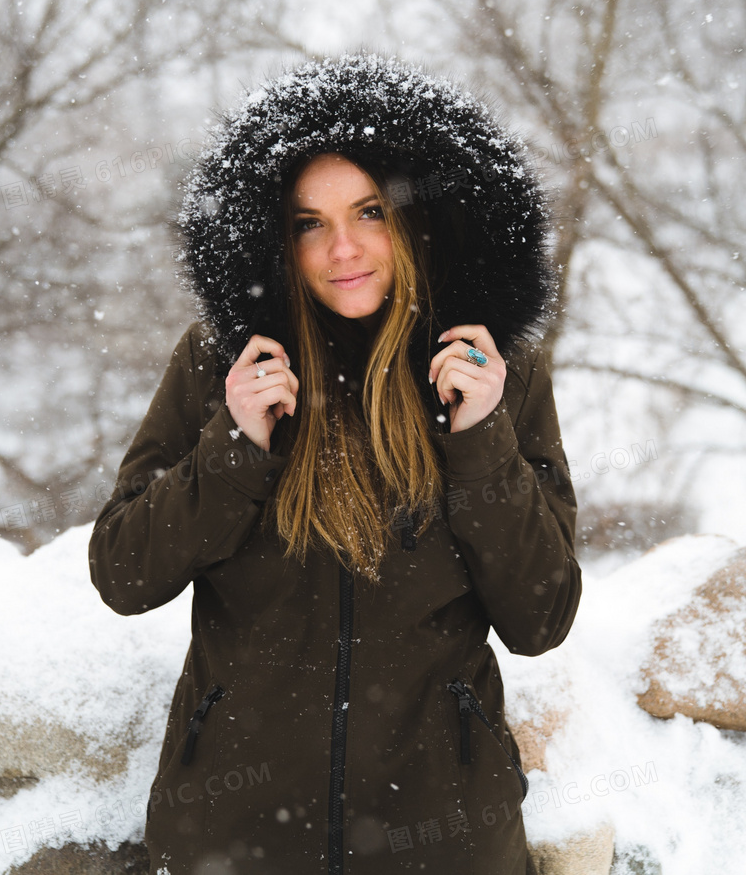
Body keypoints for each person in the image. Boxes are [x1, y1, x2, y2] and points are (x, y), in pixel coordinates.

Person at [88, 50, 582, 875]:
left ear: (419, 221)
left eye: (371, 212)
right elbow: (124, 573)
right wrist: (236, 446)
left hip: (444, 844)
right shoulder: (224, 363)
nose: (343, 249)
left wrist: (481, 441)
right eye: (309, 223)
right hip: (233, 841)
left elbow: (542, 615)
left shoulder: (496, 371)